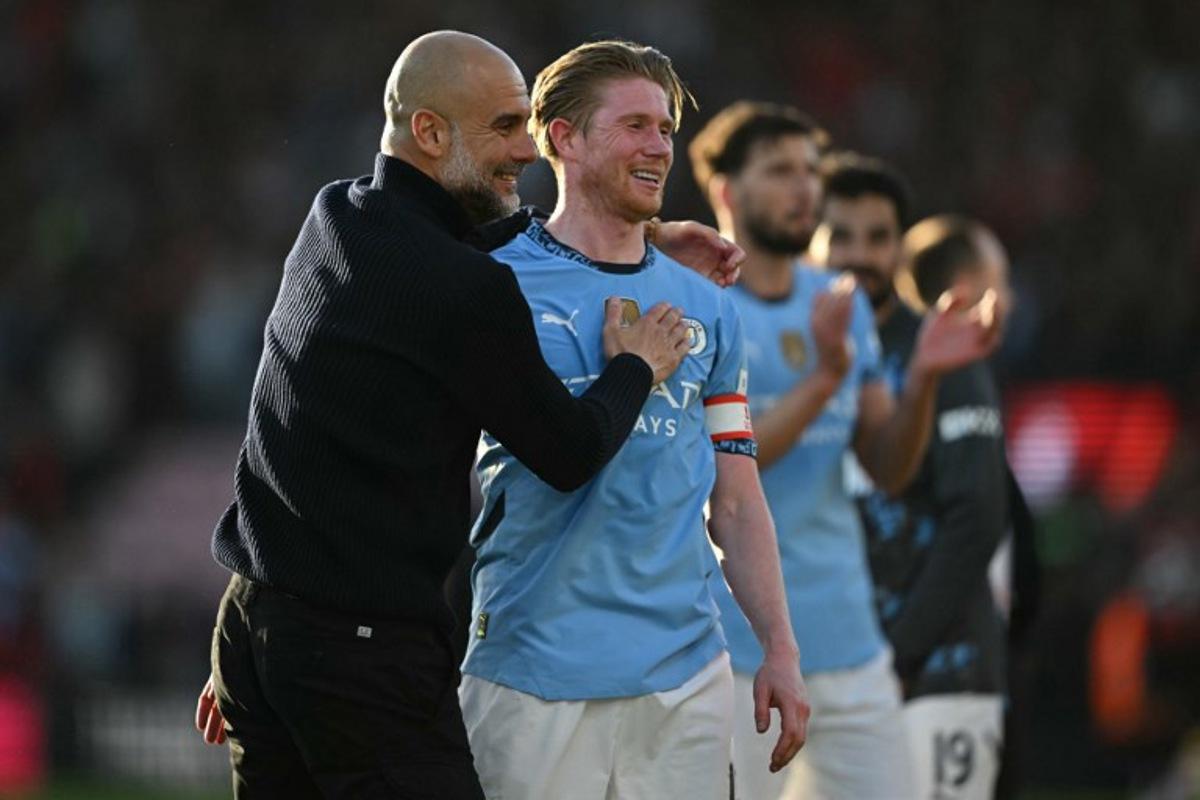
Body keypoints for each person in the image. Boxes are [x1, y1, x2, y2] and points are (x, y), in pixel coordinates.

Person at [193, 30, 743, 799]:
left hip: (256, 622)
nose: (526, 148)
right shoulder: (466, 290)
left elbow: (465, 229)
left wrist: (641, 233)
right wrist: (635, 366)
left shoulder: (337, 214)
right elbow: (570, 451)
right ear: (430, 132)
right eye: (505, 126)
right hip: (362, 646)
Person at [456, 42, 807, 800]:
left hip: (684, 681)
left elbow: (736, 498)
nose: (659, 147)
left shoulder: (709, 306)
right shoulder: (490, 281)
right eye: (635, 126)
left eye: (666, 129)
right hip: (531, 673)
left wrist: (780, 647)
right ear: (565, 138)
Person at [688, 103, 999, 799]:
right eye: (780, 171)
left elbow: (887, 466)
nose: (804, 188)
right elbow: (721, 473)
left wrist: (922, 377)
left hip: (852, 643)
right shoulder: (701, 305)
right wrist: (825, 378)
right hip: (735, 648)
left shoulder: (840, 301)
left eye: (810, 170)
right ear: (726, 191)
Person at [822, 165, 1013, 799]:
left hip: (936, 675)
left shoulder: (941, 350)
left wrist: (899, 655)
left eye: (878, 237)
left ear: (900, 248)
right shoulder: (799, 353)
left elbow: (979, 516)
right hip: (828, 674)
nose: (859, 255)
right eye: (841, 235)